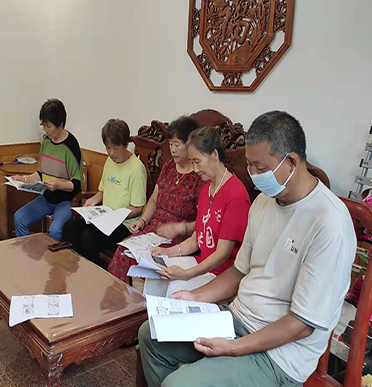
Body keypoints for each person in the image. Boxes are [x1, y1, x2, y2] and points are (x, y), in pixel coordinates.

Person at [138, 111, 357, 387]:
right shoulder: (264, 203)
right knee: (150, 334)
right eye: (250, 165)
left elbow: (302, 325)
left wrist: (232, 348)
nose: (253, 175)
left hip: (280, 356)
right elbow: (239, 272)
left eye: (259, 167)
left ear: (291, 162)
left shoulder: (329, 223)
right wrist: (194, 297)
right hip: (236, 320)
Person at [144, 126, 250, 296]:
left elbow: (222, 254)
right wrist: (167, 252)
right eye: (192, 162)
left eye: (197, 161)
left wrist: (186, 274)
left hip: (221, 273)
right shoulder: (207, 189)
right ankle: (150, 313)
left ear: (214, 155)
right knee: (157, 273)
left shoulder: (235, 194)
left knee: (176, 287)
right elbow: (196, 239)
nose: (194, 169)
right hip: (201, 261)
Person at [107, 116, 205, 284]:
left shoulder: (199, 176)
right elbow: (153, 200)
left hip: (176, 237)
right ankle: (117, 296)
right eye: (170, 144)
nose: (173, 149)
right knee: (124, 249)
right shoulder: (168, 166)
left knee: (134, 258)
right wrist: (143, 221)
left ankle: (136, 299)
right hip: (153, 230)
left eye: (177, 145)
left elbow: (202, 222)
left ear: (191, 145)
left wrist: (178, 228)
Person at [62, 119, 147, 265]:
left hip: (125, 225)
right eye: (108, 148)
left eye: (115, 148)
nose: (111, 153)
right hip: (105, 218)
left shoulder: (137, 169)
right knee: (69, 228)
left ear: (126, 145)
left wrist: (116, 215)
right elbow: (103, 190)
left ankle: (94, 273)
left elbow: (138, 208)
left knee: (88, 236)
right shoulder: (110, 161)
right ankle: (79, 268)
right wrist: (93, 201)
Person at [13, 99, 83, 242]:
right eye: (43, 125)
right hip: (47, 197)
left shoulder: (71, 146)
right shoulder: (46, 142)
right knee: (19, 218)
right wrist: (23, 179)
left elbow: (77, 183)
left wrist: (59, 185)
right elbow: (40, 174)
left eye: (48, 126)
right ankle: (27, 254)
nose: (45, 129)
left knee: (55, 231)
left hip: (66, 201)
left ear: (61, 124)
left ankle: (55, 258)